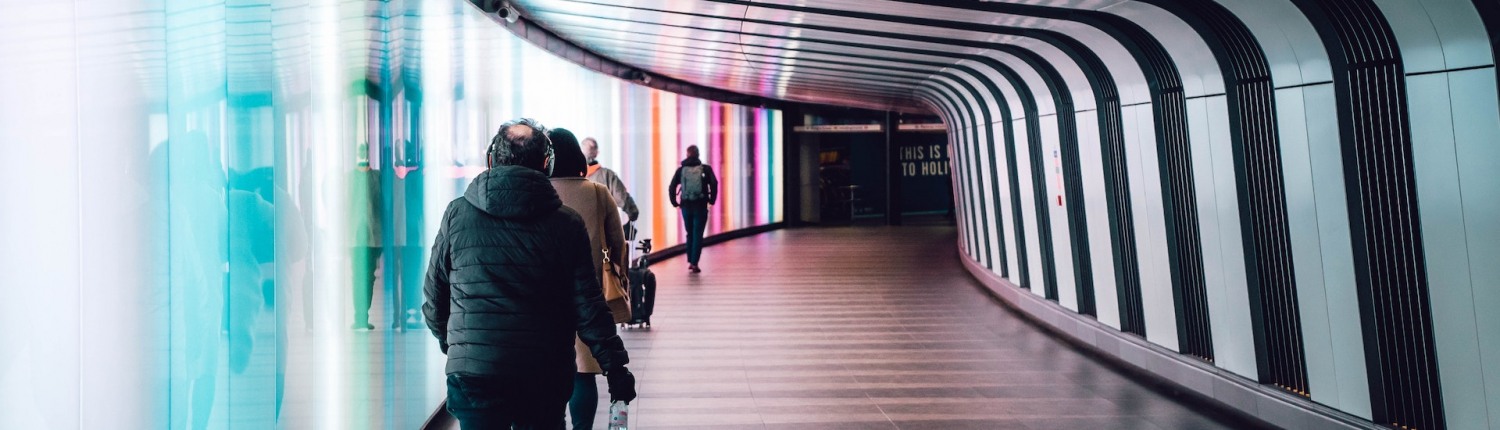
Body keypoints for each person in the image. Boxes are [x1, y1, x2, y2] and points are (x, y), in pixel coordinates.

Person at [423, 118, 636, 429]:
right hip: (543, 373)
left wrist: (458, 345)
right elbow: (589, 307)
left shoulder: (457, 214)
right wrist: (616, 369)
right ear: (546, 164)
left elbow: (434, 297)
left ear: (491, 159)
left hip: (475, 375)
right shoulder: (567, 223)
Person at [548, 129, 627, 430]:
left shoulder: (537, 191)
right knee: (584, 371)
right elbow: (616, 244)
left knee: (549, 369)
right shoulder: (596, 192)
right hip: (589, 292)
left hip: (543, 294)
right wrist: (615, 271)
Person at [668, 145, 719, 273]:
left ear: (687, 155)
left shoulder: (681, 170)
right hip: (701, 205)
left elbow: (672, 186)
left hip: (686, 205)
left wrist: (674, 202)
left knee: (689, 233)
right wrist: (712, 200)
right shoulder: (705, 169)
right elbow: (714, 183)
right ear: (698, 154)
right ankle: (694, 262)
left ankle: (690, 259)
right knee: (698, 234)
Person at [582, 137, 639, 222]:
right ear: (597, 153)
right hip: (601, 229)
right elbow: (621, 197)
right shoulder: (607, 175)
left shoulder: (573, 178)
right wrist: (633, 212)